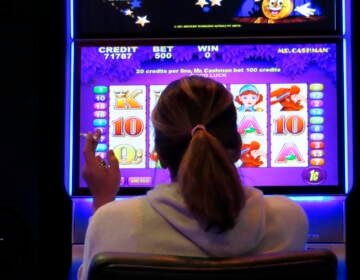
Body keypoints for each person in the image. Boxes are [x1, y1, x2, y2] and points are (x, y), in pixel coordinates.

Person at [77, 75, 309, 280]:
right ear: (238, 148)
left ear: (160, 154)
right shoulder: (289, 219)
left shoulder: (112, 221)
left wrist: (103, 199)